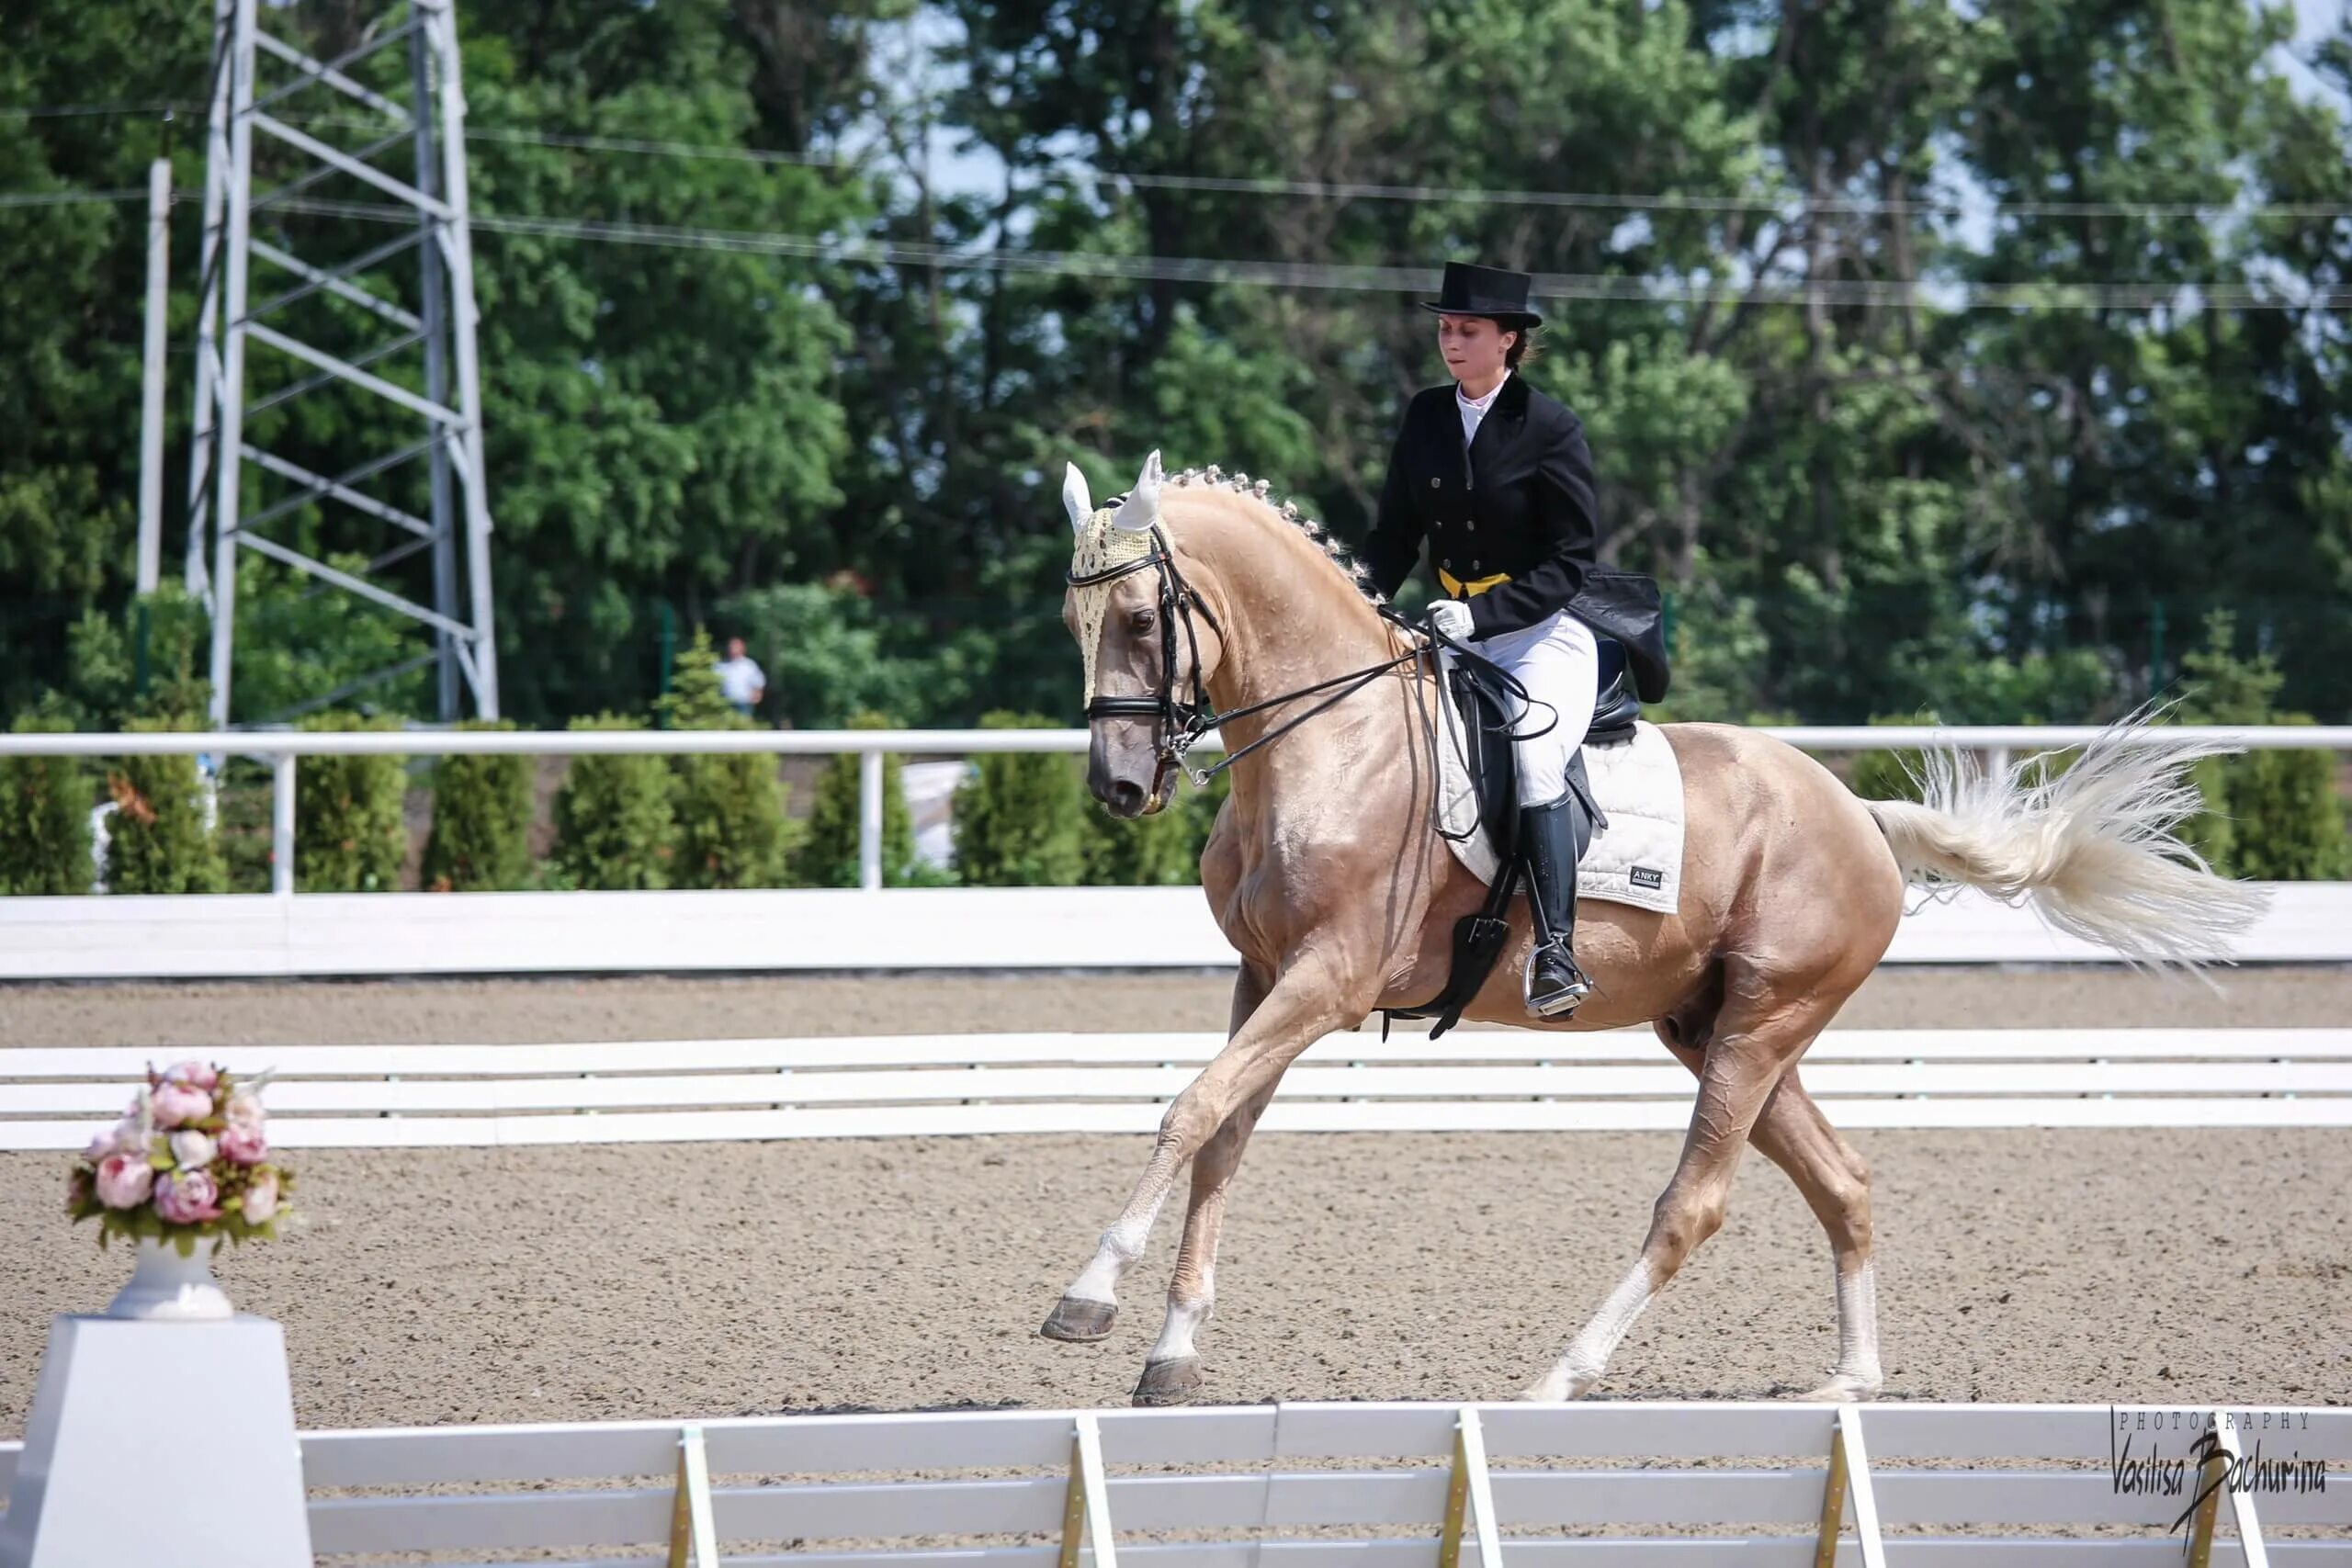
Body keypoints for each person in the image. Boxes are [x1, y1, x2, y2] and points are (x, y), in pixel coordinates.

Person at [1363, 260, 1602, 1019]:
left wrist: (1490, 613)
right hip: (1450, 631)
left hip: (1541, 634)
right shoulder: (1427, 416)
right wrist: (1356, 603)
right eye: (1444, 328)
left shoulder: (1550, 427)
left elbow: (1573, 560)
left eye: (1467, 330)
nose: (1451, 341)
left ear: (1509, 340)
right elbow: (1395, 534)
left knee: (1532, 757)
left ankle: (1556, 948)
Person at [714, 636, 766, 717]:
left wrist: (757, 696)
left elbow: (758, 682)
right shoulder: (720, 665)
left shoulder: (749, 665)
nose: (732, 649)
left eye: (736, 647)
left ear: (742, 648)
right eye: (731, 646)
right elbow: (712, 682)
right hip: (725, 703)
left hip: (744, 704)